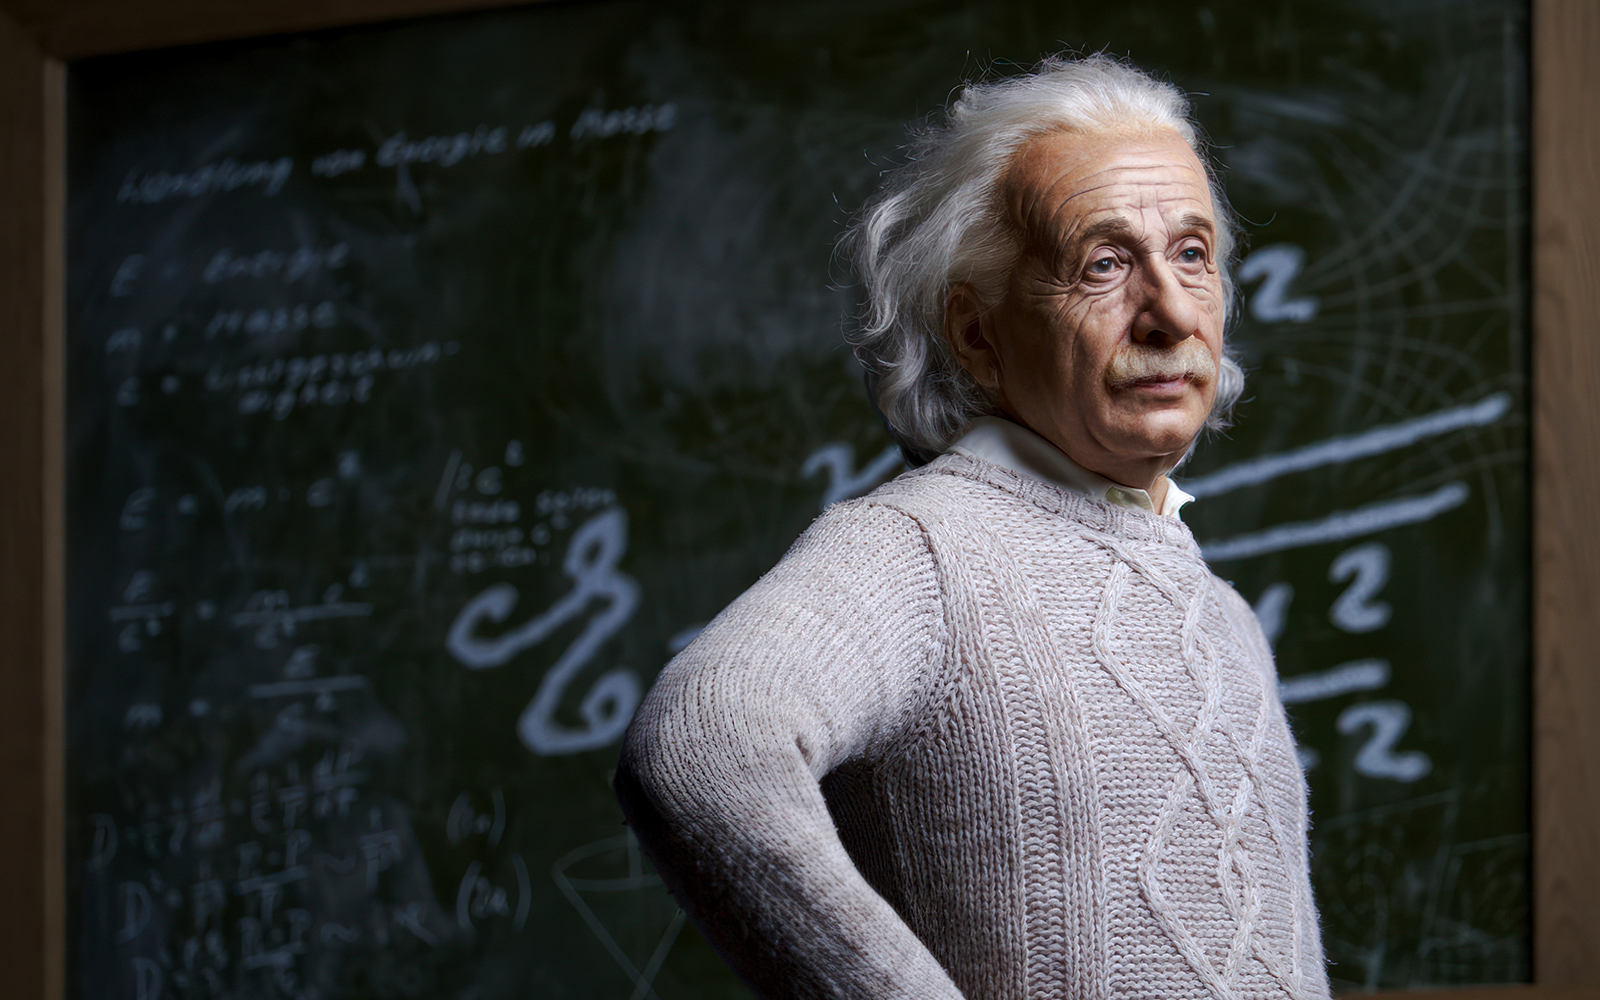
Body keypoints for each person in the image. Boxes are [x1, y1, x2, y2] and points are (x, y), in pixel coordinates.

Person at [614, 53, 1330, 1000]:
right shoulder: (921, 551)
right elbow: (704, 747)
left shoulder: (1224, 612)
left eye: (1192, 254)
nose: (1167, 311)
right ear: (978, 333)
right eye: (1105, 262)